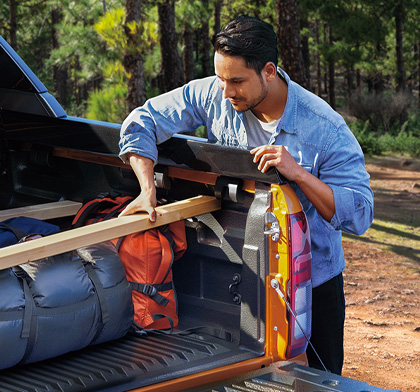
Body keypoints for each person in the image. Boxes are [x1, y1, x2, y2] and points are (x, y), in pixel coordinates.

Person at [117, 15, 373, 375]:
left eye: (236, 81)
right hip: (235, 272)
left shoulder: (325, 128)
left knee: (318, 379)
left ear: (269, 71)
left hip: (309, 283)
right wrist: (147, 190)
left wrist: (297, 173)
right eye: (221, 79)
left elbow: (360, 212)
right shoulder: (215, 93)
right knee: (244, 377)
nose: (225, 92)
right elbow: (142, 121)